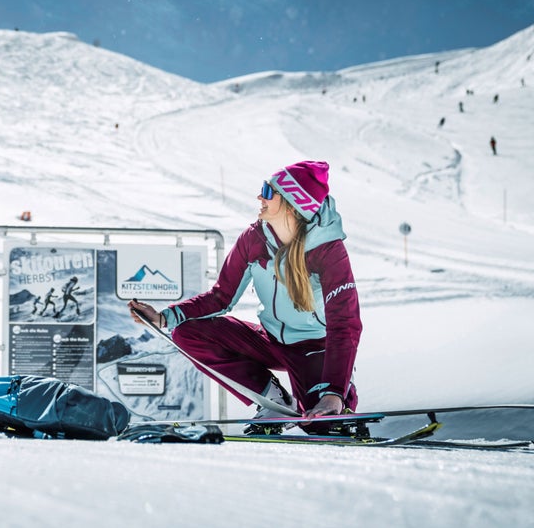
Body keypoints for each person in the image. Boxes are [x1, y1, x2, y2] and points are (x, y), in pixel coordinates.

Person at [129, 160, 362, 434]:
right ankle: (272, 401)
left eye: (268, 191)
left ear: (291, 204)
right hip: (272, 341)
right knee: (186, 332)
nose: (259, 197)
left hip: (315, 347)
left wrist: (333, 391)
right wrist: (164, 317)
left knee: (322, 423)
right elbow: (220, 297)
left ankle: (340, 395)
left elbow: (344, 324)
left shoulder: (327, 250)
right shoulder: (253, 239)